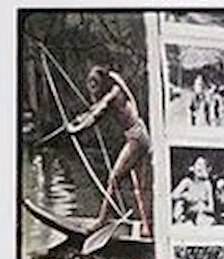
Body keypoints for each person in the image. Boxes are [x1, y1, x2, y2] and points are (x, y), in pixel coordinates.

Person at [73, 65, 151, 236]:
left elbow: (96, 115)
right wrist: (81, 119)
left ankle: (103, 219)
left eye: (95, 82)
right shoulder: (116, 89)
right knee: (139, 187)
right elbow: (95, 110)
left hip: (136, 138)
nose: (92, 86)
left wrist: (75, 130)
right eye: (90, 83)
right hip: (141, 135)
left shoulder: (113, 95)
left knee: (114, 177)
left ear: (103, 82)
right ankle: (146, 228)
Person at [170, 155, 215, 225]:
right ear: (192, 168)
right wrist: (184, 196)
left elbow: (211, 208)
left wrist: (201, 208)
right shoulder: (187, 182)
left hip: (201, 215)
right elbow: (173, 195)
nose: (200, 167)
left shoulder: (207, 184)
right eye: (199, 164)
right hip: (187, 216)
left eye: (203, 165)